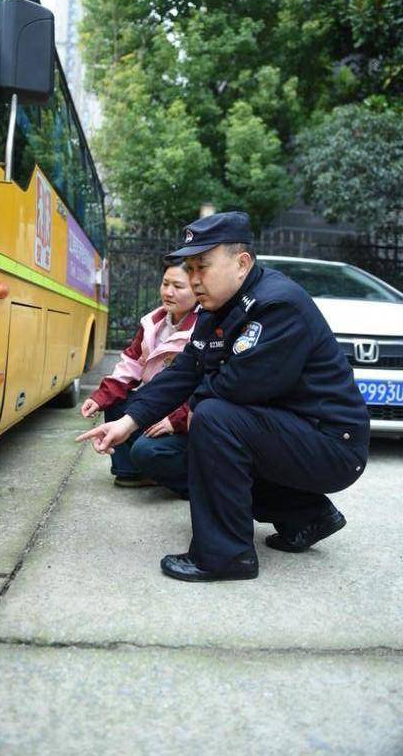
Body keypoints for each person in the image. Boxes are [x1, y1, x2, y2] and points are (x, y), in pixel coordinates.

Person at [78, 211, 370, 582]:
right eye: (190, 269)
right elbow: (185, 370)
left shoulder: (278, 305)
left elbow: (240, 385)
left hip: (333, 447)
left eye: (202, 267)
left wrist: (190, 410)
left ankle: (225, 556)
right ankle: (308, 516)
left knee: (214, 418)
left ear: (241, 263)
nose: (194, 279)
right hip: (292, 434)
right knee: (211, 432)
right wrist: (128, 421)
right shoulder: (217, 309)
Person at [81, 259, 196, 496]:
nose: (168, 292)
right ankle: (131, 472)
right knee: (115, 403)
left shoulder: (204, 327)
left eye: (178, 286)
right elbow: (131, 364)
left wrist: (176, 420)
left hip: (188, 412)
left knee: (148, 451)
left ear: (198, 288)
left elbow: (206, 385)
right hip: (156, 403)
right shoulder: (153, 323)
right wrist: (100, 397)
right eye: (165, 284)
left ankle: (192, 484)